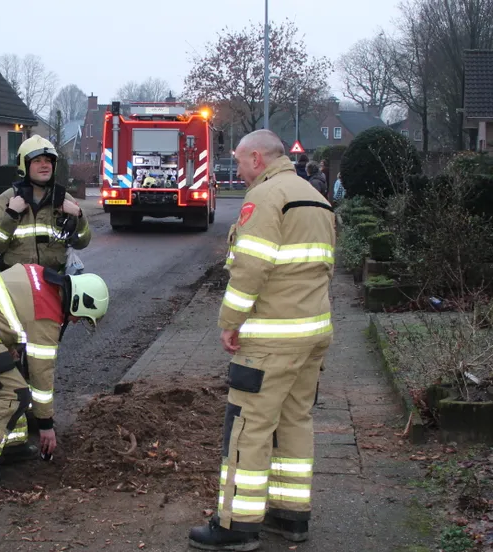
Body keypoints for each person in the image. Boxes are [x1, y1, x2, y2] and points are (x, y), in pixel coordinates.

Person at [189, 130, 335, 551]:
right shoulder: (316, 198)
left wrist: (230, 322)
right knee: (294, 420)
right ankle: (291, 515)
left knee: (248, 426)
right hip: (313, 333)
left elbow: (250, 269)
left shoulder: (266, 198)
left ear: (257, 158)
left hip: (271, 337)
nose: (237, 171)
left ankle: (237, 523)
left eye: (238, 162)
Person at [0, 264, 109, 489]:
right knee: (11, 394)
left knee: (16, 380)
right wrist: (45, 425)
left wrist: (10, 344)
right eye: (80, 317)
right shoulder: (47, 313)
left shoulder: (43, 279)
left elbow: (9, 310)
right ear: (78, 301)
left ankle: (11, 445)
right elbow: (41, 375)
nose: (74, 322)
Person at [0, 135, 91, 273]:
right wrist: (11, 215)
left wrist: (79, 216)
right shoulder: (7, 199)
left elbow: (82, 243)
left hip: (54, 281)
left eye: (48, 161)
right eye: (37, 161)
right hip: (17, 280)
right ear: (24, 165)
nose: (44, 165)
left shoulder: (65, 199)